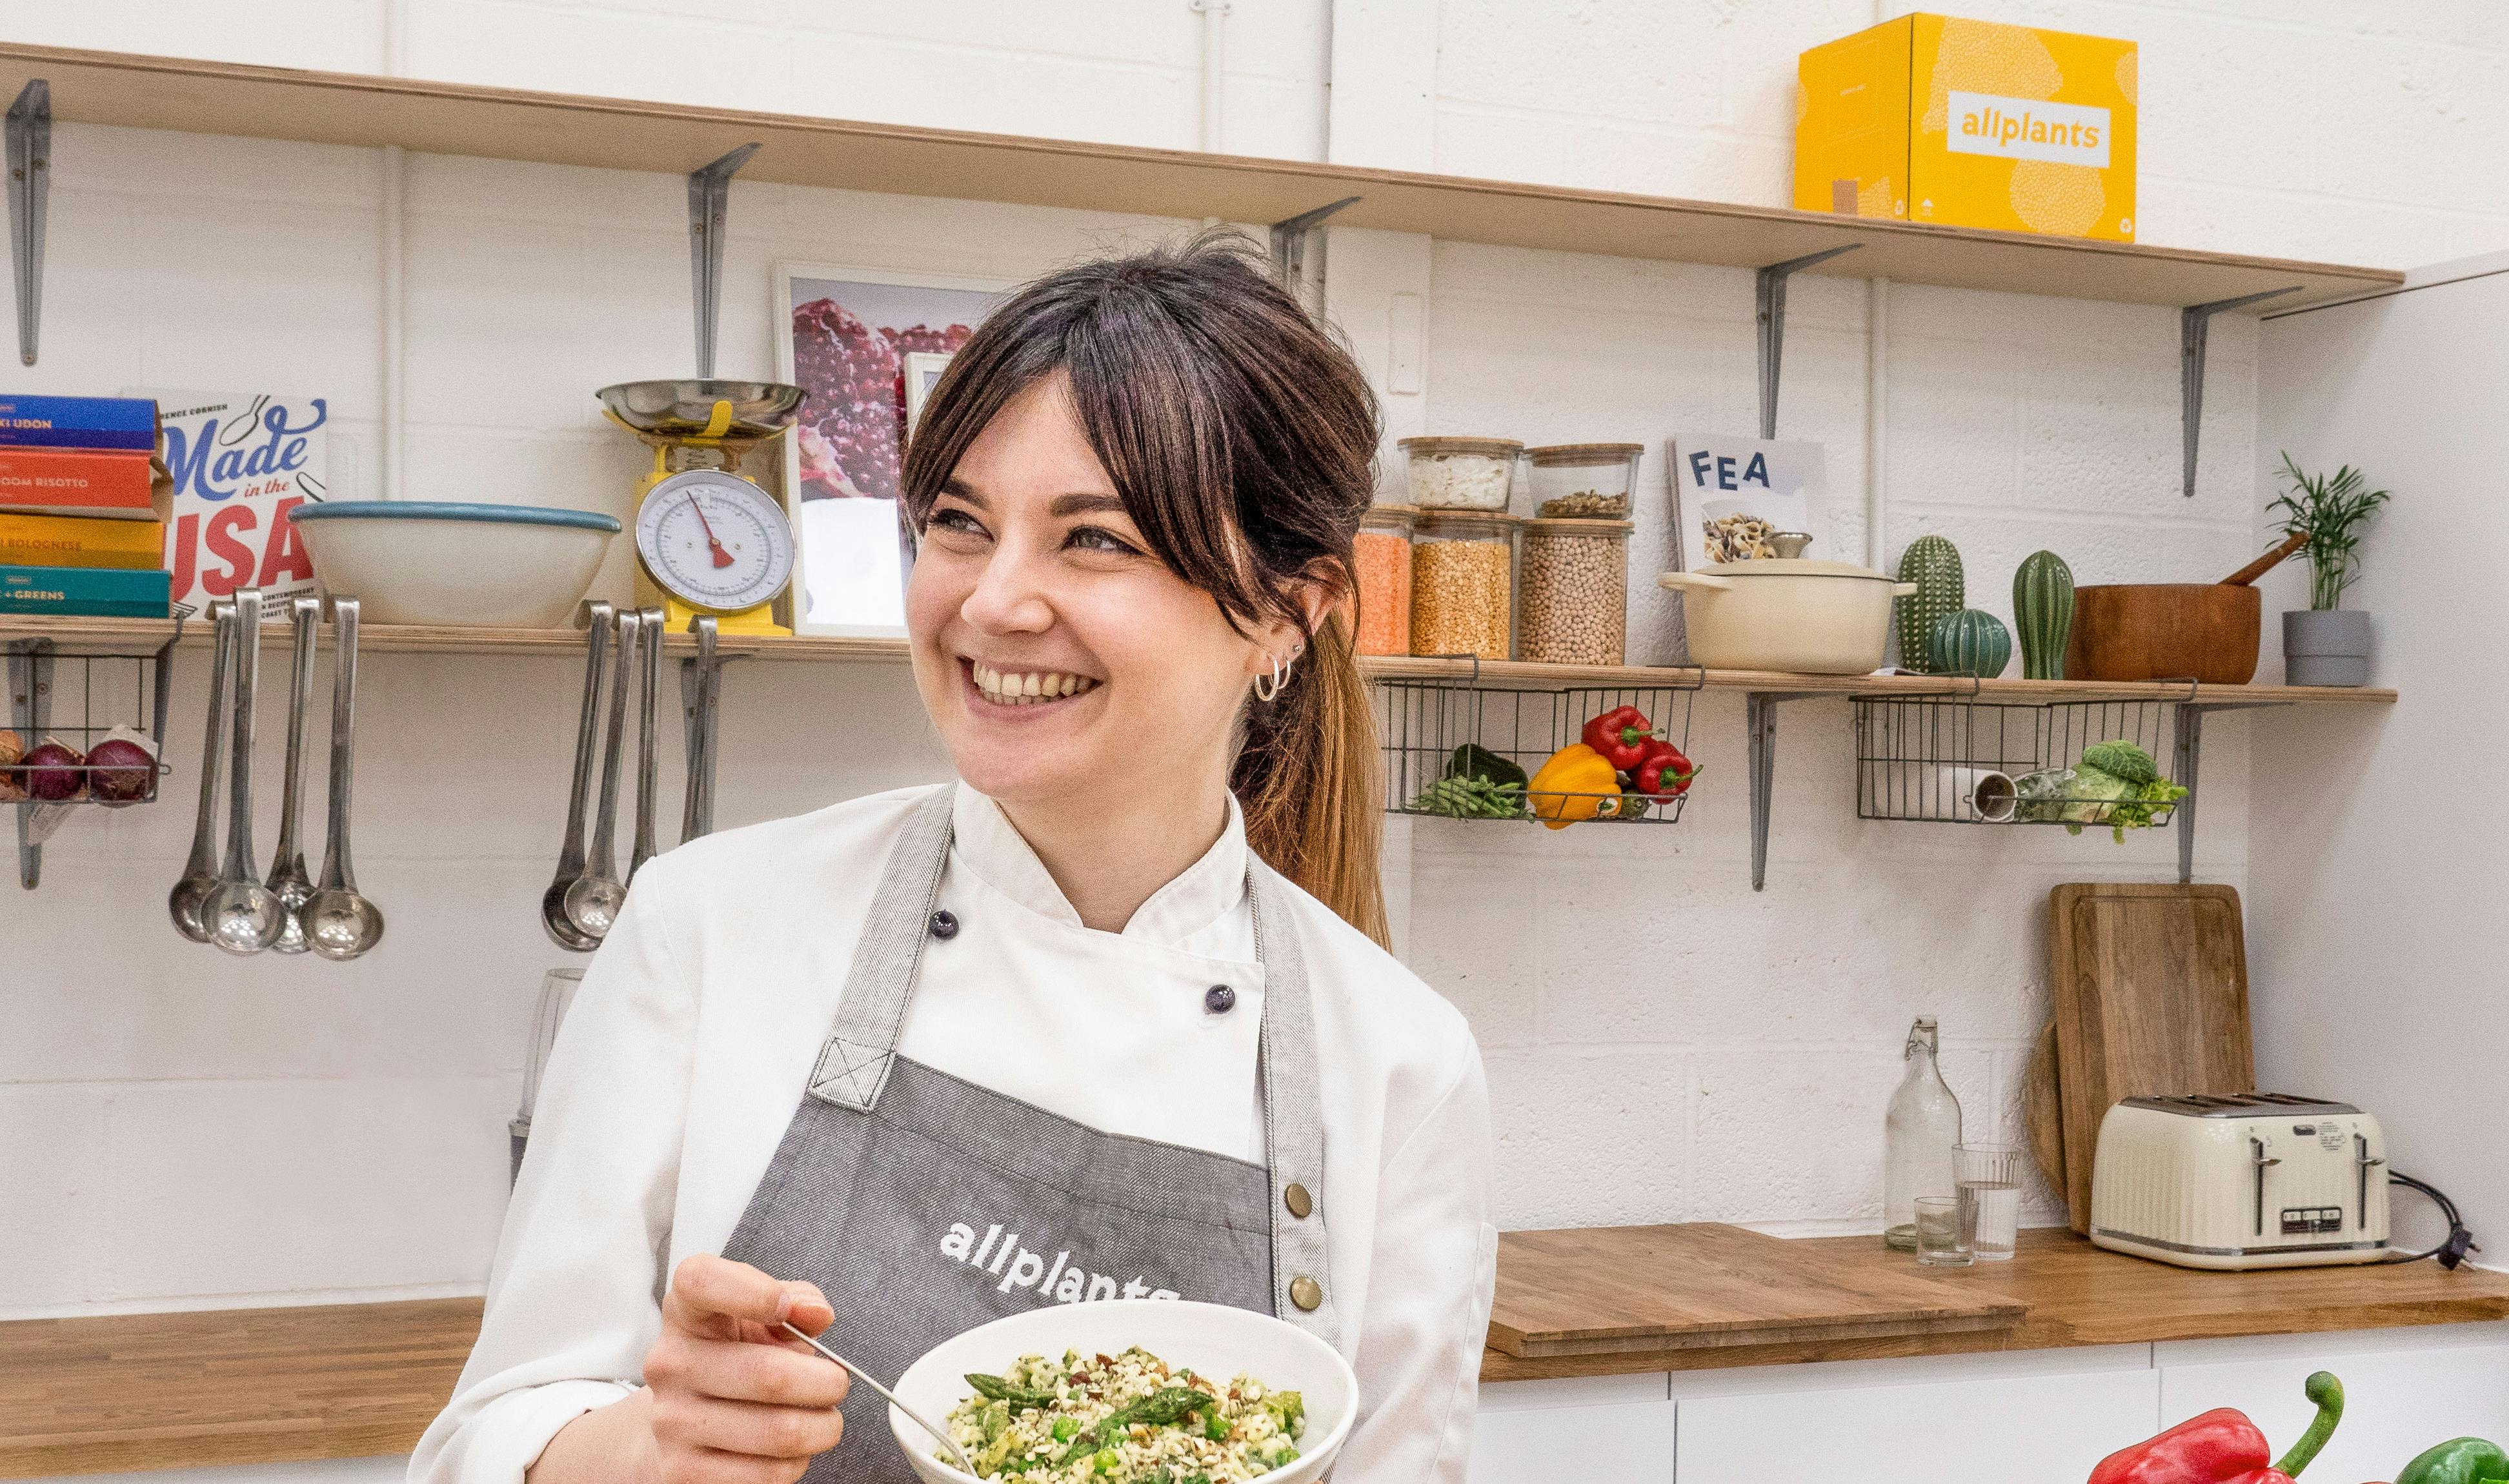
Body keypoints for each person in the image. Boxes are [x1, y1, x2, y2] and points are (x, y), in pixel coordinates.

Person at [412, 237, 1495, 1484]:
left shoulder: (1401, 1064)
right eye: (958, 525)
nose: (991, 605)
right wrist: (645, 1453)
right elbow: (483, 1441)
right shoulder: (713, 922)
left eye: (1094, 541)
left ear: (1288, 613)